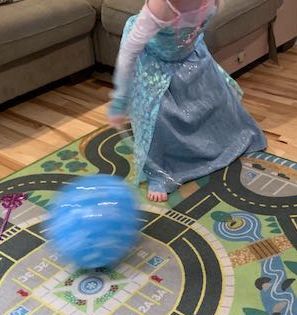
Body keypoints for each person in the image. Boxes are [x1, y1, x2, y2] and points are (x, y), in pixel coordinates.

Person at [107, 0, 267, 202]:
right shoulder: (159, 5)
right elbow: (129, 53)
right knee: (158, 115)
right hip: (154, 57)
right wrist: (120, 100)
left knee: (216, 95)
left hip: (188, 51)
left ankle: (218, 143)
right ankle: (159, 172)